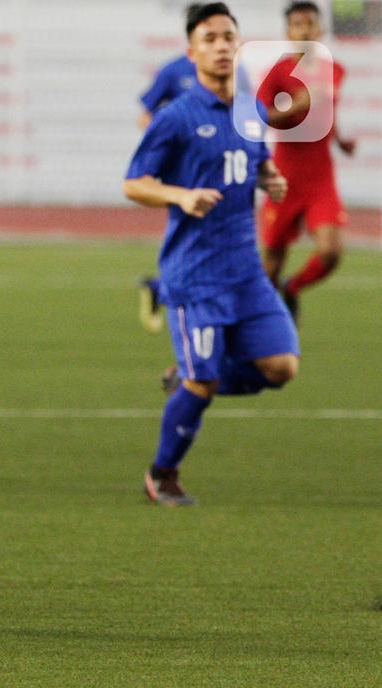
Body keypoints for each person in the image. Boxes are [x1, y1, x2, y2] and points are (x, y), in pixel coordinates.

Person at [123, 3, 298, 506]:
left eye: (228, 37)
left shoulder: (249, 111)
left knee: (282, 367)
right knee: (203, 385)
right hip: (194, 274)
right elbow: (134, 183)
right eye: (210, 38)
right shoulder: (176, 117)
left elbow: (254, 163)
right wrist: (179, 196)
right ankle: (162, 474)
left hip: (246, 270)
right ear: (191, 51)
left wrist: (271, 178)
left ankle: (192, 372)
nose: (221, 45)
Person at [135, 2, 251, 333]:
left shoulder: (234, 73)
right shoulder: (173, 70)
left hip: (224, 166)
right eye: (207, 32)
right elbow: (145, 112)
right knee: (190, 235)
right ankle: (167, 292)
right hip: (191, 172)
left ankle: (159, 289)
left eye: (225, 34)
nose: (218, 44)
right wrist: (168, 144)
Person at [257, 1, 356, 322]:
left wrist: (340, 140)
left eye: (310, 23)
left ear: (321, 29)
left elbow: (327, 113)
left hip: (319, 177)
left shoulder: (335, 70)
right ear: (288, 32)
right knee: (271, 262)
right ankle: (266, 325)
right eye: (298, 24)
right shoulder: (277, 73)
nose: (305, 30)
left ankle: (294, 287)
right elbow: (258, 119)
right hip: (284, 176)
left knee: (330, 252)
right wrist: (292, 107)